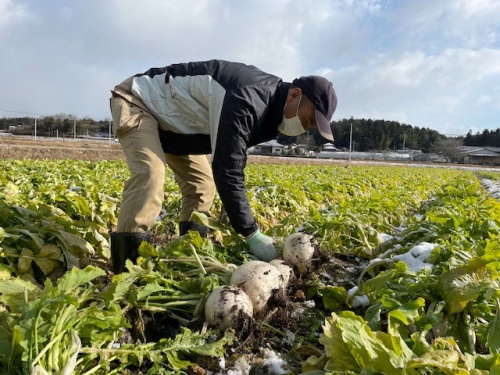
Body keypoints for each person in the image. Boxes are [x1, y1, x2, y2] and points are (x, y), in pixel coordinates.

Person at [109, 59, 337, 273]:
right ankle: (129, 269)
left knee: (203, 186)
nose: (305, 129)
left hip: (176, 127)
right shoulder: (249, 97)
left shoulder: (270, 114)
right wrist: (251, 232)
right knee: (150, 175)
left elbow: (233, 158)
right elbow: (227, 168)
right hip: (138, 102)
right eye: (307, 121)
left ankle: (189, 253)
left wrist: (237, 216)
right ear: (295, 95)